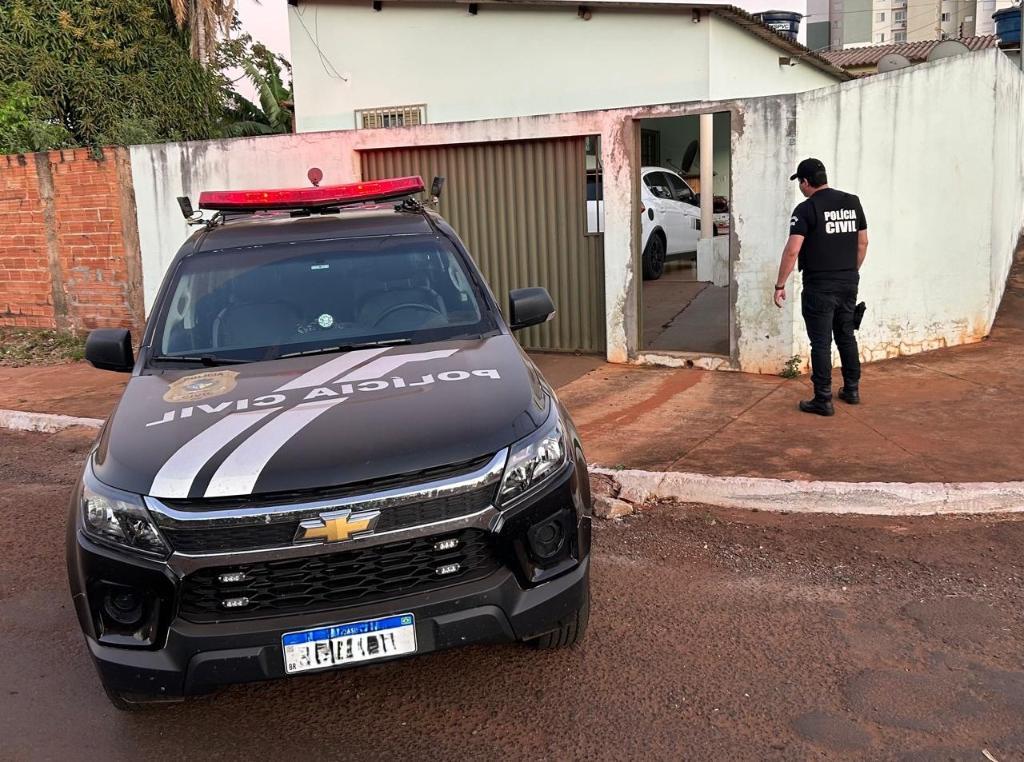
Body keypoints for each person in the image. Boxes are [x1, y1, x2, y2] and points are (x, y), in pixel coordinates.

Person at [773, 158, 868, 416]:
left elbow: (793, 250)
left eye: (800, 183)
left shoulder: (806, 209)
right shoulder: (853, 202)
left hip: (819, 286)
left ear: (805, 182)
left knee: (821, 343)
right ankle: (852, 389)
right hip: (848, 282)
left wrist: (780, 284)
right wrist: (851, 273)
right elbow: (863, 243)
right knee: (846, 335)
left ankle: (823, 399)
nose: (801, 187)